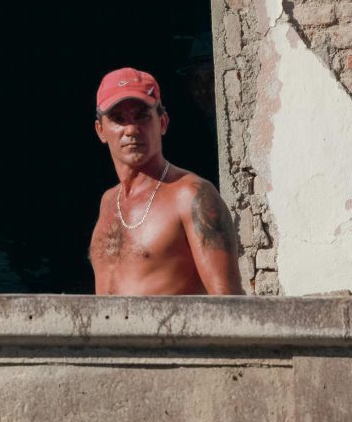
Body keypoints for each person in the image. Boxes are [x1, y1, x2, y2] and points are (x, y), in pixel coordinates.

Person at [87, 68, 244, 295]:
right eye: (118, 119)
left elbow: (230, 303)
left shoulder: (191, 195)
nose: (131, 129)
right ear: (101, 130)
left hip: (173, 330)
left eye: (141, 116)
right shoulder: (108, 202)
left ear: (162, 122)